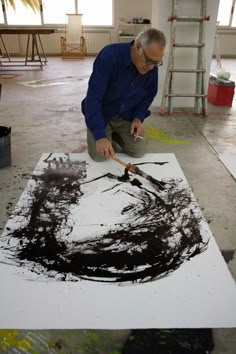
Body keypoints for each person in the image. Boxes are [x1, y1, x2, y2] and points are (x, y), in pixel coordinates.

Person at [81, 28, 166, 162]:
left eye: (156, 63)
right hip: (103, 114)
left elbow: (149, 94)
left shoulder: (151, 68)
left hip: (126, 116)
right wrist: (99, 135)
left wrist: (138, 117)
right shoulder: (109, 57)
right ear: (138, 47)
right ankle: (105, 133)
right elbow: (93, 98)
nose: (151, 67)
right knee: (100, 156)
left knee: (139, 151)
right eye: (149, 60)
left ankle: (115, 135)